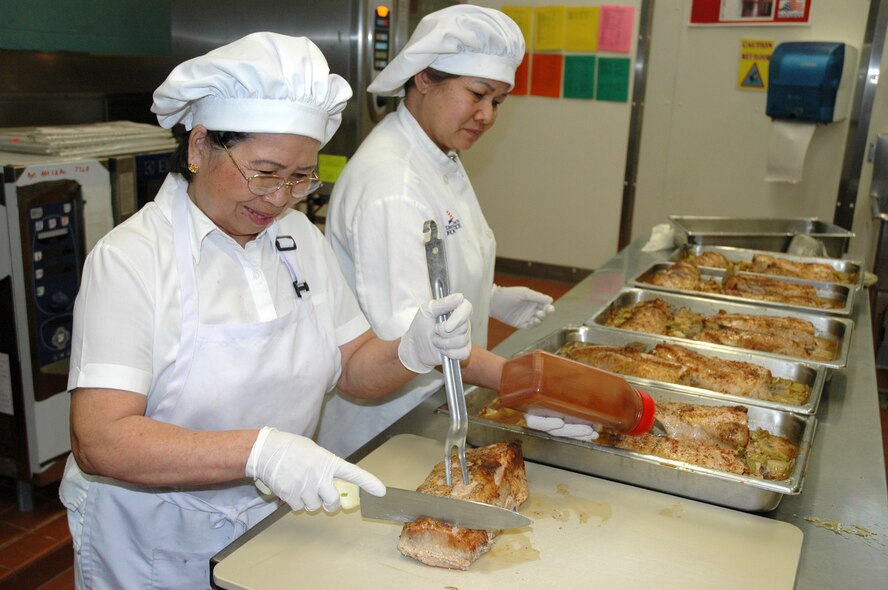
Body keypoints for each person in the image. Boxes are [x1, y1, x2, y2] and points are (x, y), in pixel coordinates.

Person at [58, 32, 475, 588]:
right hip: (152, 542)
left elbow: (351, 367)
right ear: (199, 145)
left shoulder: (298, 237)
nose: (279, 198)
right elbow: (100, 439)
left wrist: (411, 350)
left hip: (270, 525)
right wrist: (259, 452)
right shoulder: (131, 261)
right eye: (264, 172)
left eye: (300, 177)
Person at [317, 5, 563, 459]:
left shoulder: (435, 152)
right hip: (388, 426)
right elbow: (412, 338)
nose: (487, 115)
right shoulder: (391, 184)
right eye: (477, 94)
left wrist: (489, 296)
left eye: (498, 102)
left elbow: (429, 265)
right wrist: (523, 381)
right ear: (424, 78)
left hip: (431, 405)